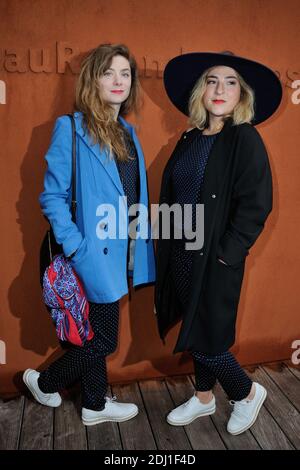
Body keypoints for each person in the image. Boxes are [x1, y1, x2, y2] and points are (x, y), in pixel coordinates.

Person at [23, 43, 155, 426]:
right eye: (108, 73)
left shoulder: (129, 133)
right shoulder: (71, 128)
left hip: (121, 250)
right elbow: (52, 195)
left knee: (95, 333)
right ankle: (44, 381)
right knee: (104, 340)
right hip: (91, 254)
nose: (118, 81)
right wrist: (76, 246)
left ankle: (94, 403)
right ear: (92, 80)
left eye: (125, 74)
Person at [155, 51, 282, 435]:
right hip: (181, 249)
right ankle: (205, 396)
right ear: (201, 90)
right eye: (212, 80)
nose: (220, 88)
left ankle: (245, 394)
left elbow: (256, 202)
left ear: (241, 94)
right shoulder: (190, 138)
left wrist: (228, 253)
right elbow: (175, 194)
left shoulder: (244, 137)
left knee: (207, 335)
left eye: (230, 82)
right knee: (197, 326)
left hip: (215, 255)